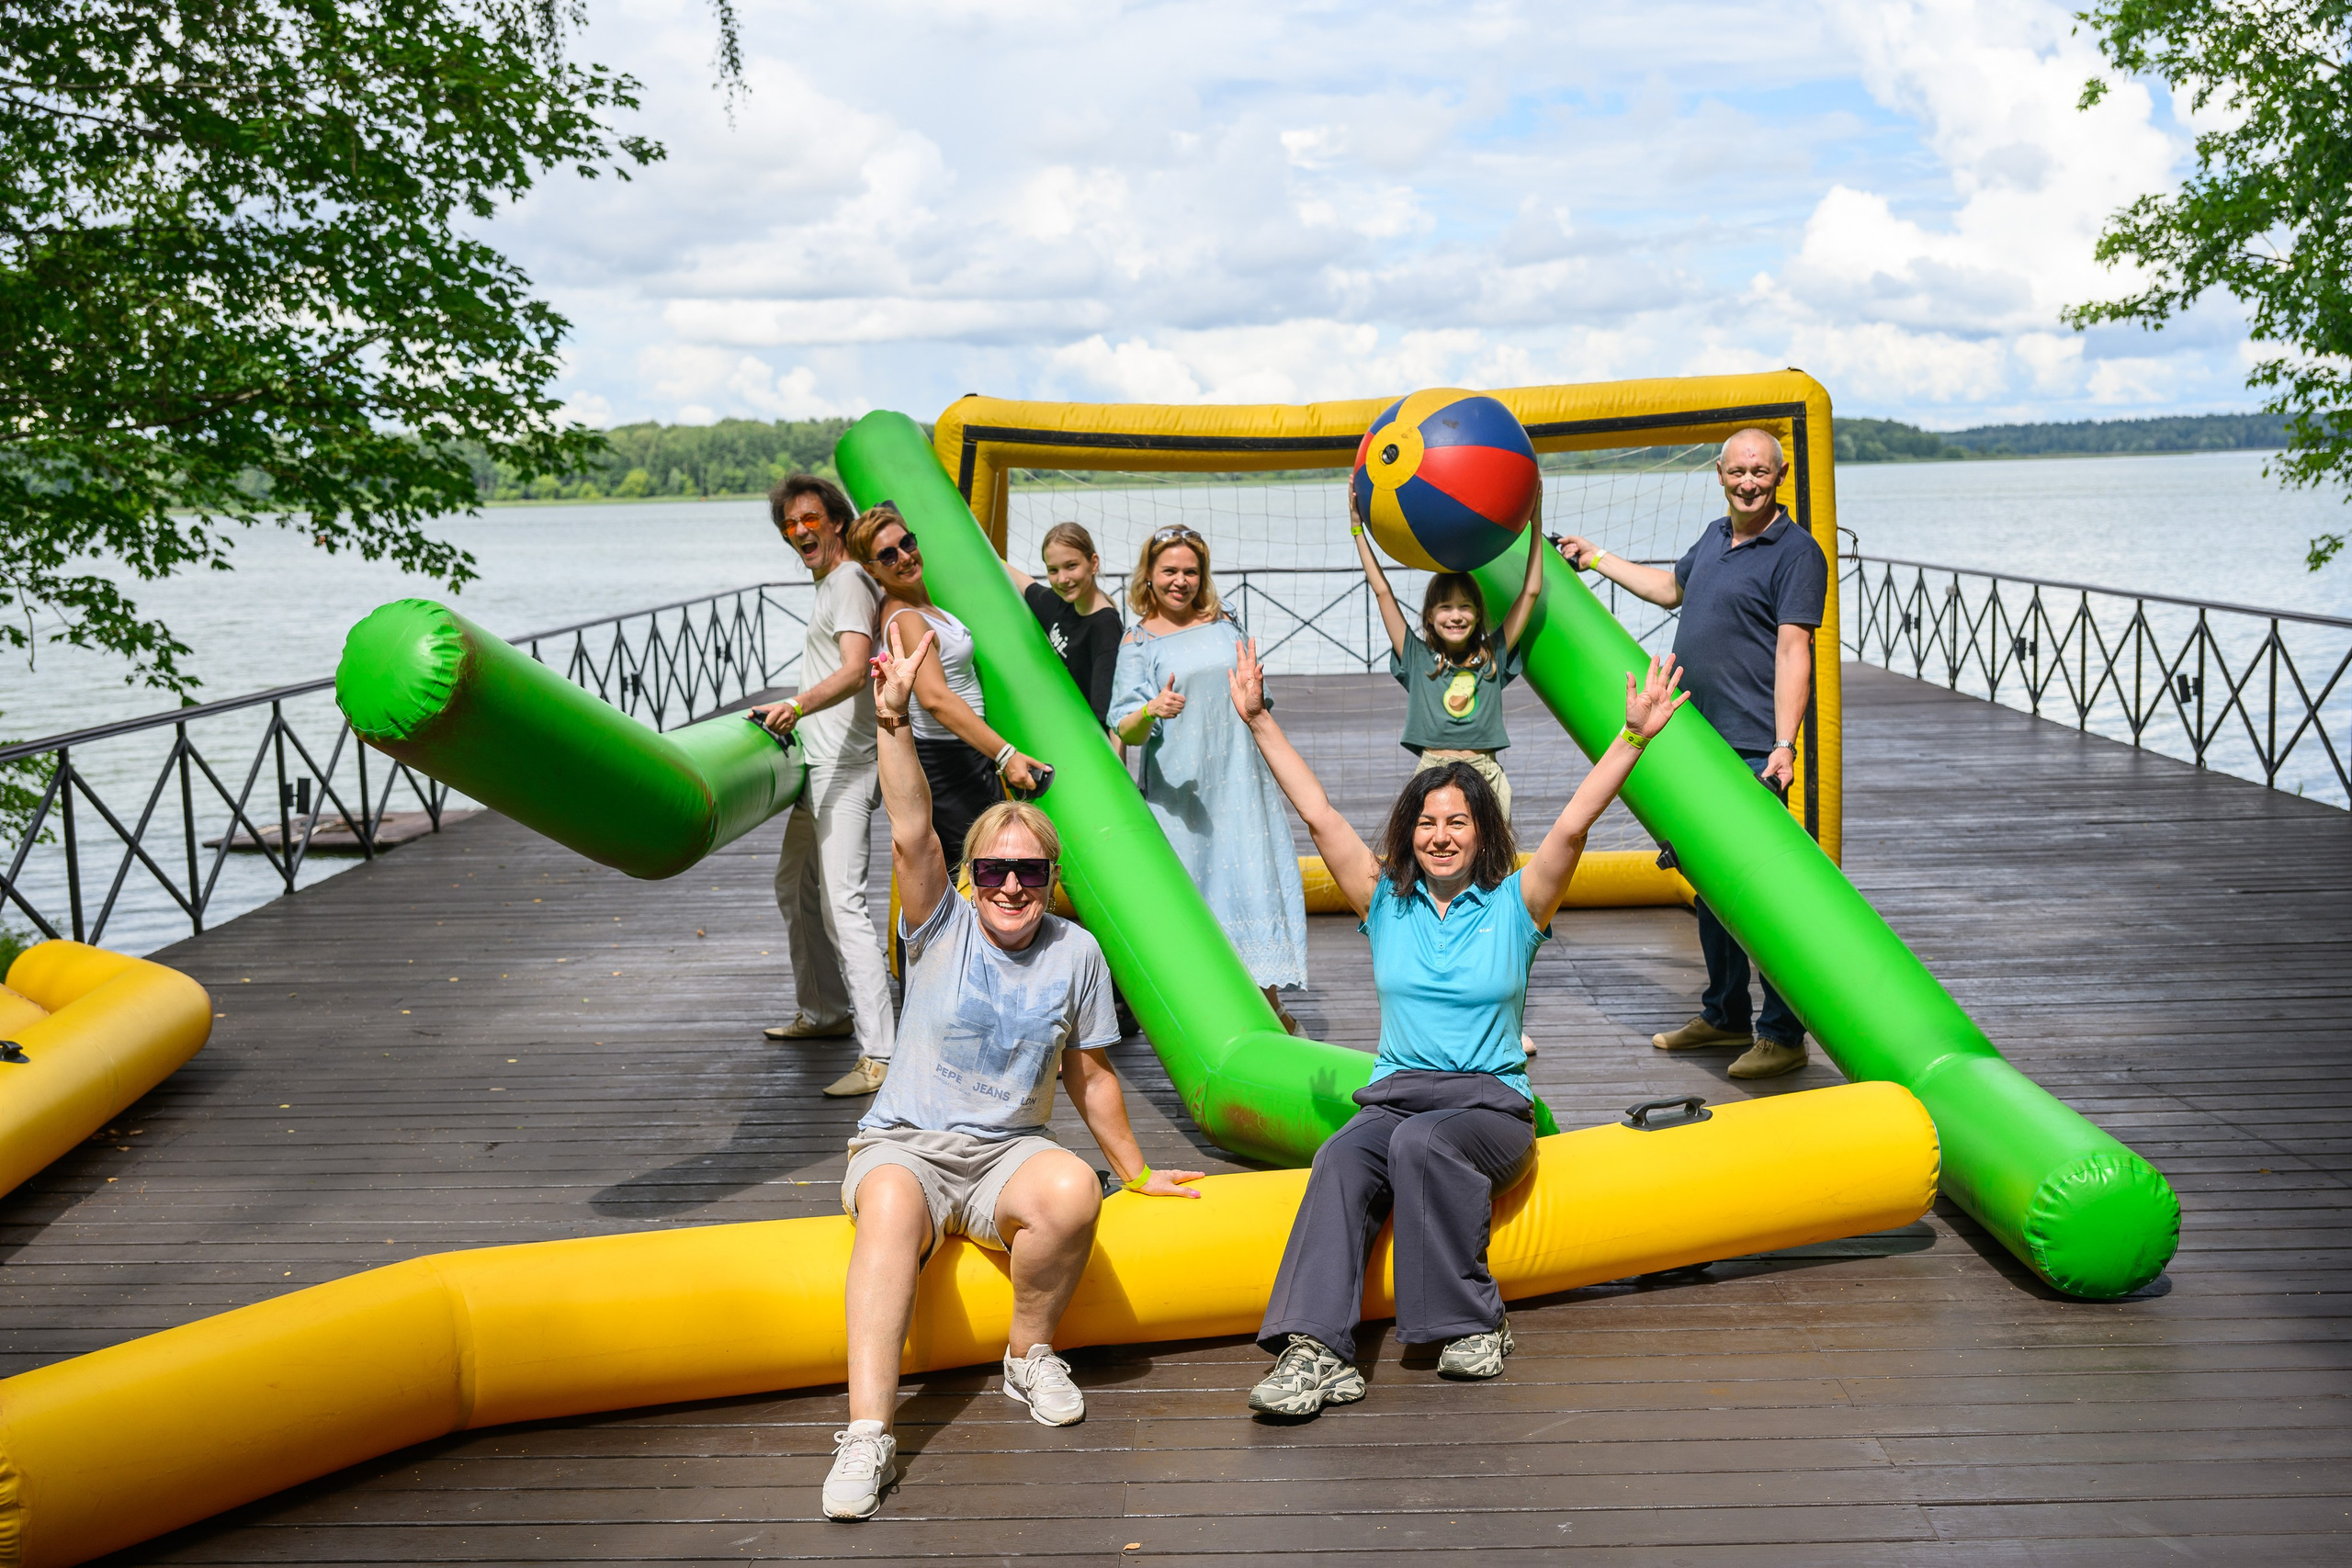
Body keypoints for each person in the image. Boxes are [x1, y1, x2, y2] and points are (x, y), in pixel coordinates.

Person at [1228, 636, 1689, 1416]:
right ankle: (1315, 1352)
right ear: (1409, 832)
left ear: (1483, 833)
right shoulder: (1386, 905)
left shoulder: (1516, 904)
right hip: (1397, 1098)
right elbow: (1319, 815)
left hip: (1487, 1108)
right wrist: (1259, 719)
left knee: (1422, 1142)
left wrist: (1633, 737)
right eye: (1428, 821)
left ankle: (1476, 1322)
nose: (1442, 833)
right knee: (1343, 1153)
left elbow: (1573, 828)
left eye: (1459, 821)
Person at [821, 622, 1204, 1522]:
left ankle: (1027, 1354)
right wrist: (890, 723)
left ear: (1050, 877)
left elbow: (1091, 1074)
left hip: (1004, 1154)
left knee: (1074, 1189)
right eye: (992, 869)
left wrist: (1140, 1174)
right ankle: (868, 1433)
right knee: (884, 1210)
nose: (1009, 887)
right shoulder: (940, 925)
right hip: (906, 1145)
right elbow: (912, 834)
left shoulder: (1074, 953)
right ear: (971, 873)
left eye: (1028, 874)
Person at [1554, 427, 1828, 1080]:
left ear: (1781, 474)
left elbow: (1795, 651)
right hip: (1695, 739)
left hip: (1753, 746)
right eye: (1738, 471)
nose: (1749, 482)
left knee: (1762, 892)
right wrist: (1597, 558)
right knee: (1708, 884)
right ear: (1719, 472)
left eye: (1761, 472)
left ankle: (1783, 1033)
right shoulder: (1713, 537)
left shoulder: (1798, 553)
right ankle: (1725, 1013)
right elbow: (1668, 590)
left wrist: (1785, 743)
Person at [1109, 525, 1309, 1030]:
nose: (1181, 581)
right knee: (1197, 896)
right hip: (1181, 797)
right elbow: (1125, 728)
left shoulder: (1228, 623)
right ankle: (1208, 1019)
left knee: (1251, 880)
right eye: (1169, 571)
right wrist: (1152, 709)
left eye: (1191, 571)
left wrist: (1257, 697)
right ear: (1149, 577)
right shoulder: (1136, 641)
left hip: (1242, 782)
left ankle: (1269, 1012)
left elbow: (1256, 696)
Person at [747, 476, 893, 1098]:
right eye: (790, 524)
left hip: (846, 765)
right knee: (794, 884)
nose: (800, 531)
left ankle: (882, 1053)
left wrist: (797, 704)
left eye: (811, 519)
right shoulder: (830, 583)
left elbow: (857, 670)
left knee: (844, 905)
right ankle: (825, 1009)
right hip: (818, 761)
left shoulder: (853, 582)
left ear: (836, 520)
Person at [848, 504, 1051, 884]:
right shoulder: (907, 618)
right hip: (947, 766)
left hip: (966, 756)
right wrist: (1006, 755)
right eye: (888, 555)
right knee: (973, 880)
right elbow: (935, 699)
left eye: (907, 543)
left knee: (975, 874)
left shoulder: (925, 606)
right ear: (871, 569)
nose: (905, 557)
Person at [1351, 492, 1545, 818]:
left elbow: (1531, 591)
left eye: (1465, 607)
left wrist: (1535, 523)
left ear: (1477, 614)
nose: (1455, 616)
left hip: (1484, 770)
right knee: (1431, 856)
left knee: (1490, 862)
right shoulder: (1415, 657)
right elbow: (1382, 591)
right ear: (1429, 616)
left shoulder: (1492, 655)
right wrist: (1358, 530)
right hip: (1432, 770)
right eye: (1445, 607)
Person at [1004, 521, 1124, 748]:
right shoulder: (1060, 604)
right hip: (1061, 732)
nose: (1062, 579)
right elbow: (1024, 583)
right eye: (1053, 570)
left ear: (1093, 563)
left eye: (1071, 566)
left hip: (1090, 744)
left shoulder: (1105, 627)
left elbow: (1111, 715)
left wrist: (1120, 776)